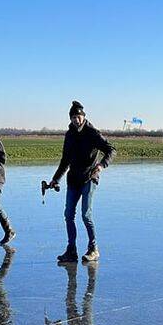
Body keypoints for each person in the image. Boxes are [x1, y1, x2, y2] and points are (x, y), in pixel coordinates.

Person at [46, 101, 115, 264]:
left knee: (86, 215)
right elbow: (65, 161)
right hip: (73, 179)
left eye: (79, 117)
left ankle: (93, 249)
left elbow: (111, 150)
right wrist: (55, 179)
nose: (76, 120)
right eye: (73, 117)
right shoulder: (69, 135)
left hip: (89, 178)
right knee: (69, 215)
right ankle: (71, 251)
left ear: (83, 117)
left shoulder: (92, 133)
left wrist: (101, 165)